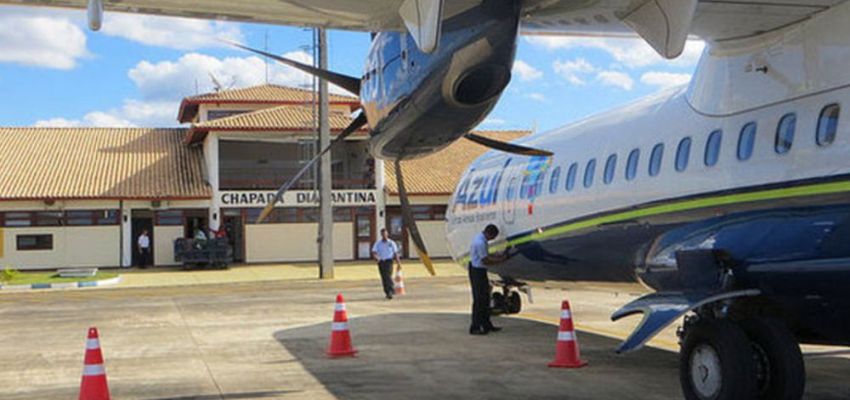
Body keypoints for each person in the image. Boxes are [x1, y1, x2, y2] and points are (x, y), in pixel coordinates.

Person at [468, 224, 508, 335]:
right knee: (479, 300)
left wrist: (496, 256)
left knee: (485, 299)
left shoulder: (481, 239)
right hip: (477, 271)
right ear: (489, 234)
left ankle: (486, 324)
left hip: (479, 270)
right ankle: (475, 327)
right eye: (493, 237)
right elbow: (485, 260)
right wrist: (500, 260)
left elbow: (486, 256)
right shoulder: (480, 242)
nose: (493, 240)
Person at [371, 228, 402, 299]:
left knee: (388, 275)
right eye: (382, 234)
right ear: (381, 235)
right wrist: (376, 258)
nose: (384, 235)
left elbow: (395, 253)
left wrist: (399, 263)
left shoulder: (391, 243)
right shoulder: (378, 243)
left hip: (389, 261)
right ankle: (387, 292)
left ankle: (391, 290)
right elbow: (374, 252)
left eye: (385, 234)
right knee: (383, 277)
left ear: (387, 234)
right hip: (381, 261)